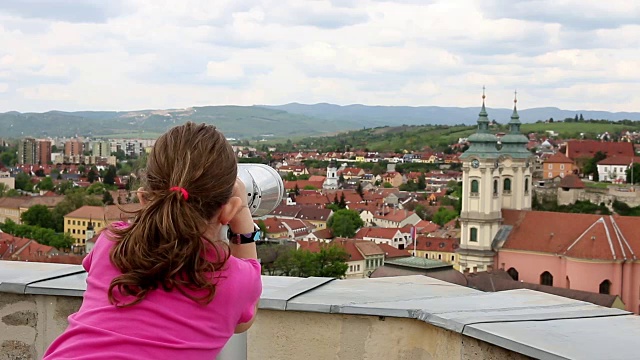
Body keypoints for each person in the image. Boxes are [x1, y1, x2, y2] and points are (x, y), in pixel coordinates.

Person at [44, 122, 262, 359]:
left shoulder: (111, 242)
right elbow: (242, 322)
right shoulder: (235, 279)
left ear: (144, 199)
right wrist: (243, 227)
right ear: (229, 210)